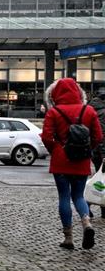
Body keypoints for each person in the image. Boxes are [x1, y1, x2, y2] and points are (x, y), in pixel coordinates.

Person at [40, 78, 103, 250]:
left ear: (55, 94)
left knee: (64, 197)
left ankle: (68, 238)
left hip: (61, 159)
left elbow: (46, 136)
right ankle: (86, 223)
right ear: (78, 92)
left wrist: (56, 149)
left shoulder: (54, 112)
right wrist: (88, 149)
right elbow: (98, 136)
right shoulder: (89, 110)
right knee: (79, 196)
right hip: (81, 160)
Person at [89, 88, 105, 219]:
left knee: (100, 179)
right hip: (102, 151)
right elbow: (103, 135)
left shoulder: (90, 108)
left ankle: (87, 204)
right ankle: (87, 204)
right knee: (101, 180)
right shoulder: (104, 112)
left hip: (94, 150)